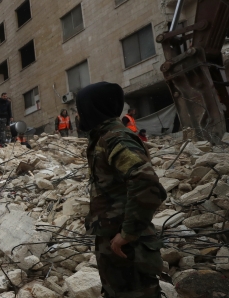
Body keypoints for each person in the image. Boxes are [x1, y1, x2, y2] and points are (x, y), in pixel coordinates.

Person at [76, 82, 166, 298]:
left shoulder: (116, 138)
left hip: (128, 244)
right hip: (114, 239)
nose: (79, 116)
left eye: (81, 110)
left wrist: (128, 233)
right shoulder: (103, 137)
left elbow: (147, 183)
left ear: (94, 108)